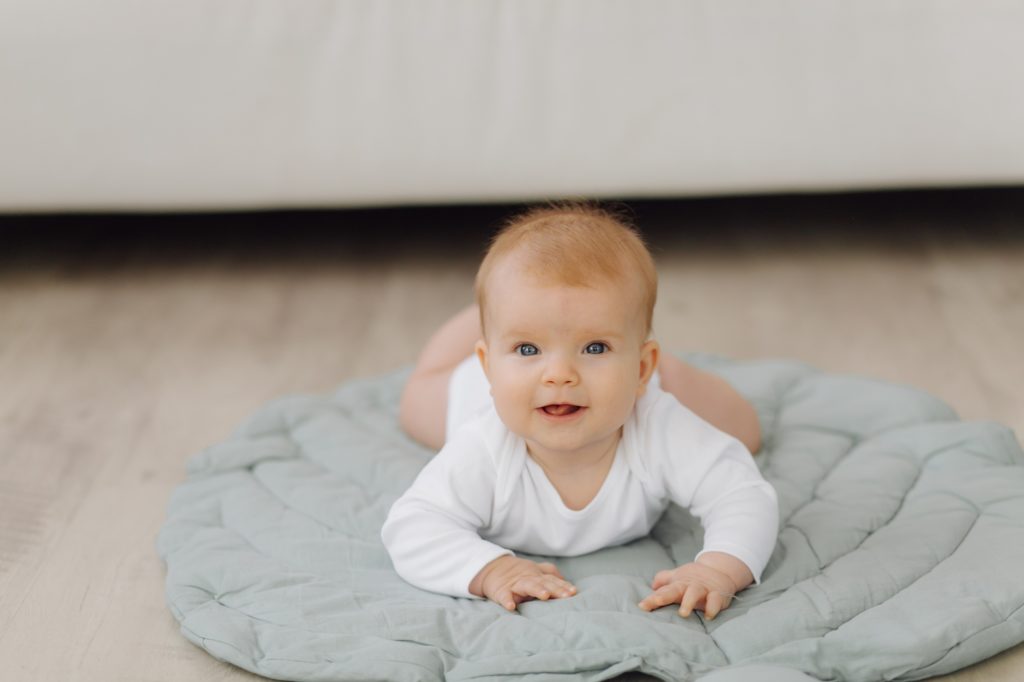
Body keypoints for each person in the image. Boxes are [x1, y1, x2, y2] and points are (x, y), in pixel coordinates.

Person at [382, 203, 778, 620]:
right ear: (488, 368)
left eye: (594, 347)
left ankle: (630, 355)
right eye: (528, 348)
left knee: (744, 434)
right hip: (476, 391)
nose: (559, 375)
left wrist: (718, 568)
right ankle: (494, 319)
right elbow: (413, 528)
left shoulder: (657, 423)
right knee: (417, 400)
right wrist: (489, 569)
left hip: (632, 385)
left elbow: (742, 493)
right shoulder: (482, 444)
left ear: (643, 367)